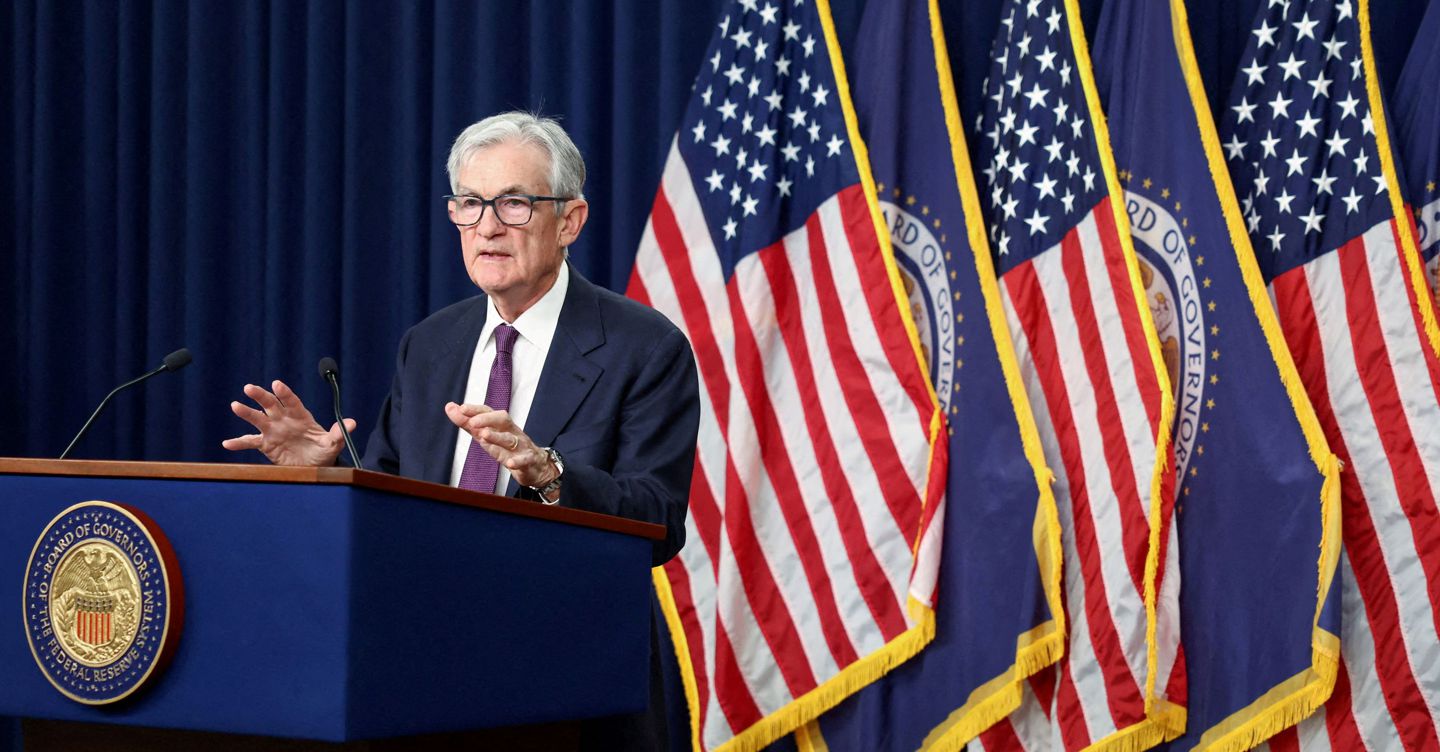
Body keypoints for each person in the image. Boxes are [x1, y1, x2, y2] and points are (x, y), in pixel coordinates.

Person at [224, 112, 700, 749]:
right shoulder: (430, 344)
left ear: (570, 221)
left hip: (569, 687)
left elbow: (659, 520)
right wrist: (328, 473)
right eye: (470, 204)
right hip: (427, 674)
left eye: (514, 203)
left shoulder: (644, 348)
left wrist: (550, 474)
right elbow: (396, 509)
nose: (488, 226)